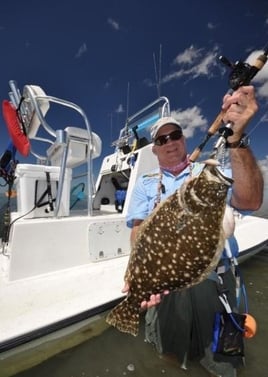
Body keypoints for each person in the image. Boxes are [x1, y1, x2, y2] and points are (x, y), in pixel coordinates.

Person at [124, 85, 264, 377]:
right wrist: (138, 274)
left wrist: (236, 139)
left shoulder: (207, 174)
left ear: (183, 140)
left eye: (175, 135)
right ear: (155, 148)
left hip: (214, 283)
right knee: (169, 355)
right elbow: (138, 233)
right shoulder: (145, 184)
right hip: (164, 286)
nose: (170, 142)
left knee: (224, 363)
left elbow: (250, 200)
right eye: (162, 139)